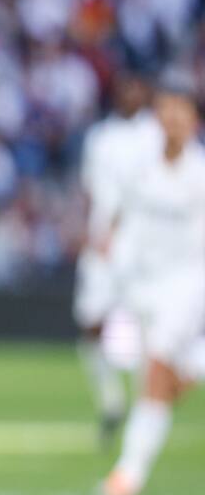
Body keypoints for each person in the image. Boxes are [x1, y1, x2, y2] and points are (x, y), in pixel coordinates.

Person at [98, 76, 205, 495]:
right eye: (166, 111)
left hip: (187, 283)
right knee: (159, 380)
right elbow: (120, 214)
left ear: (194, 120)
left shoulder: (200, 173)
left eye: (182, 112)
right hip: (141, 285)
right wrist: (111, 244)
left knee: (158, 367)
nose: (173, 120)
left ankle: (128, 474)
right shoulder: (137, 167)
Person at [73, 72, 161, 446]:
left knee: (148, 327)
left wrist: (116, 228)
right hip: (102, 244)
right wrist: (89, 231)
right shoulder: (100, 137)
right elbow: (91, 189)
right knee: (91, 325)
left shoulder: (155, 135)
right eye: (125, 87)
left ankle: (148, 406)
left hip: (141, 245)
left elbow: (149, 190)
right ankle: (111, 400)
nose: (130, 94)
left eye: (136, 87)